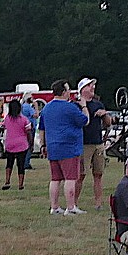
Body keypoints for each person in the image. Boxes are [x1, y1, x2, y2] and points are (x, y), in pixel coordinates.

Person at [39, 79, 90, 215]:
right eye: (68, 90)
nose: (69, 92)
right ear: (63, 92)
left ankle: (54, 207)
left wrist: (43, 144)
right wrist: (84, 106)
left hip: (52, 147)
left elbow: (42, 129)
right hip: (69, 147)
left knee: (55, 179)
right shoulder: (70, 107)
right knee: (70, 178)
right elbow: (85, 121)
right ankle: (71, 207)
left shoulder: (46, 108)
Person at [75, 78, 112, 210]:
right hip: (84, 143)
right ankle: (74, 203)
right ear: (82, 89)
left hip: (98, 142)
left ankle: (98, 203)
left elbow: (108, 123)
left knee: (98, 174)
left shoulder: (98, 104)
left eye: (93, 85)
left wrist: (105, 115)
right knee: (81, 175)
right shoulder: (77, 105)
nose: (92, 88)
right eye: (89, 86)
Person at [0, 99, 31, 191]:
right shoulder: (24, 119)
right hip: (22, 144)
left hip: (10, 144)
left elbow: (3, 126)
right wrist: (30, 143)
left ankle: (7, 181)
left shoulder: (7, 118)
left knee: (9, 163)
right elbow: (28, 132)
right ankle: (20, 184)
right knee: (20, 165)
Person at [21, 92, 39, 170]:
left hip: (24, 128)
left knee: (25, 146)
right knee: (29, 146)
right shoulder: (28, 107)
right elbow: (36, 115)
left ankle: (24, 162)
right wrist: (36, 107)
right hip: (30, 128)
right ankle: (26, 163)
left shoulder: (22, 107)